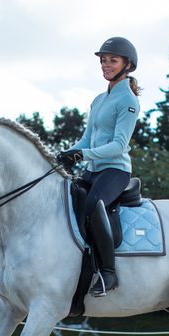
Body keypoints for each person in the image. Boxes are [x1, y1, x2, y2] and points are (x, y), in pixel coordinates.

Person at [55, 37, 142, 296]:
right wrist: (65, 154)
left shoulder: (128, 101)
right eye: (103, 60)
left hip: (115, 170)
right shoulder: (98, 100)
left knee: (93, 205)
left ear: (127, 65)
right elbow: (86, 139)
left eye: (112, 60)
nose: (106, 65)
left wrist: (83, 154)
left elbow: (118, 145)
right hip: (92, 170)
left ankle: (107, 273)